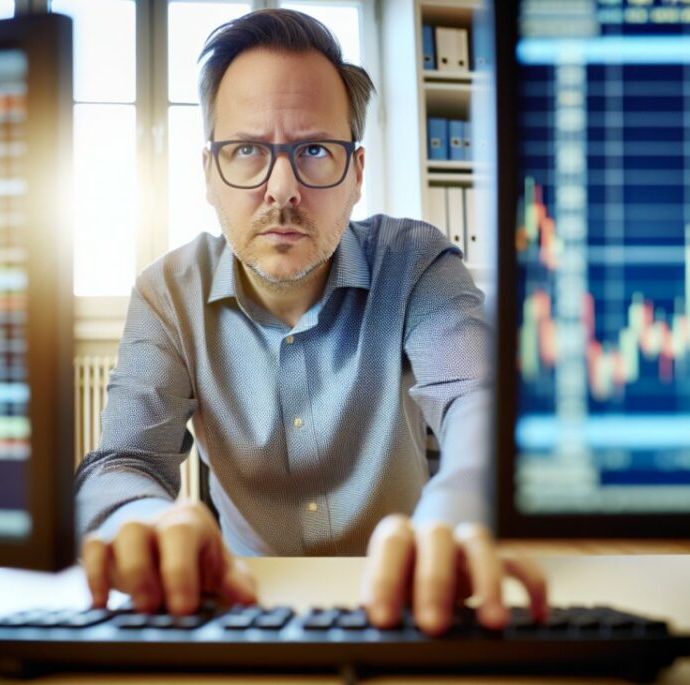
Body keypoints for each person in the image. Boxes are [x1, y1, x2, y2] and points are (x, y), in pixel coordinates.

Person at [76, 8, 547, 636]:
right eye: (247, 150)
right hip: (244, 609)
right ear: (209, 174)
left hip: (412, 602)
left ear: (356, 174)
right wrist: (141, 522)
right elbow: (122, 461)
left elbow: (479, 400)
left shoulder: (415, 262)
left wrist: (458, 511)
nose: (282, 189)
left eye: (316, 150)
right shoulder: (167, 292)